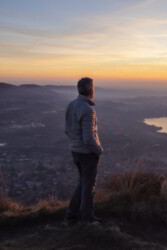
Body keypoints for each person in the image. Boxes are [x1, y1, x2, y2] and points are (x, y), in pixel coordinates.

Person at [64, 77, 103, 223]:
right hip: (87, 154)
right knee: (88, 186)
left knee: (83, 183)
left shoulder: (71, 105)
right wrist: (99, 150)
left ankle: (72, 213)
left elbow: (67, 130)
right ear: (90, 90)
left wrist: (75, 144)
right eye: (93, 88)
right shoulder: (88, 110)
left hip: (75, 152)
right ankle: (87, 218)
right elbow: (89, 139)